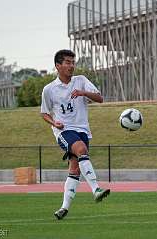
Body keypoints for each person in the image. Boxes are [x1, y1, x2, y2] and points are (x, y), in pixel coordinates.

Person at [41, 49, 110, 220]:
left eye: (73, 62)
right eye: (67, 62)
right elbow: (44, 113)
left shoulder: (81, 81)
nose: (72, 66)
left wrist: (83, 93)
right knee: (81, 150)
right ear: (58, 66)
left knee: (74, 168)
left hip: (83, 130)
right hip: (64, 130)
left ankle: (64, 207)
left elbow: (100, 99)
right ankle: (96, 190)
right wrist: (54, 122)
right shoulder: (49, 89)